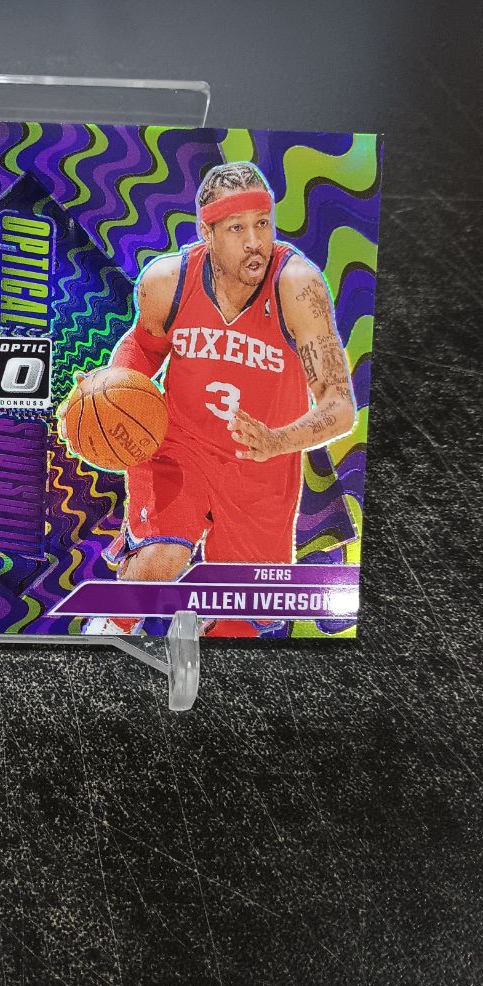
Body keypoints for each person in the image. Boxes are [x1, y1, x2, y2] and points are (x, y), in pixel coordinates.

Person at [89, 162, 356, 638]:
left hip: (260, 464)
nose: (255, 241)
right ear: (206, 233)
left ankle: (202, 629)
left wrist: (277, 440)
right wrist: (113, 387)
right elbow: (143, 347)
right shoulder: (168, 281)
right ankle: (110, 627)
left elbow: (339, 405)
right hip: (180, 446)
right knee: (162, 554)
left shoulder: (297, 285)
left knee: (240, 618)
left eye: (263, 223)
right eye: (237, 228)